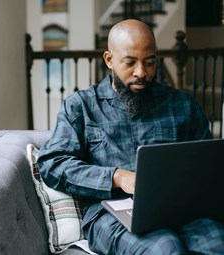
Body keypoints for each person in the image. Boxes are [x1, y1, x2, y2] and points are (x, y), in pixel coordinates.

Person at [37, 19, 224, 255]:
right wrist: (116, 177)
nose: (141, 73)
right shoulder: (81, 107)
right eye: (130, 62)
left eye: (150, 62)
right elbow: (52, 163)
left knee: (218, 244)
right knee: (165, 249)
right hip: (112, 213)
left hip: (180, 211)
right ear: (109, 60)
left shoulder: (183, 105)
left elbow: (209, 166)